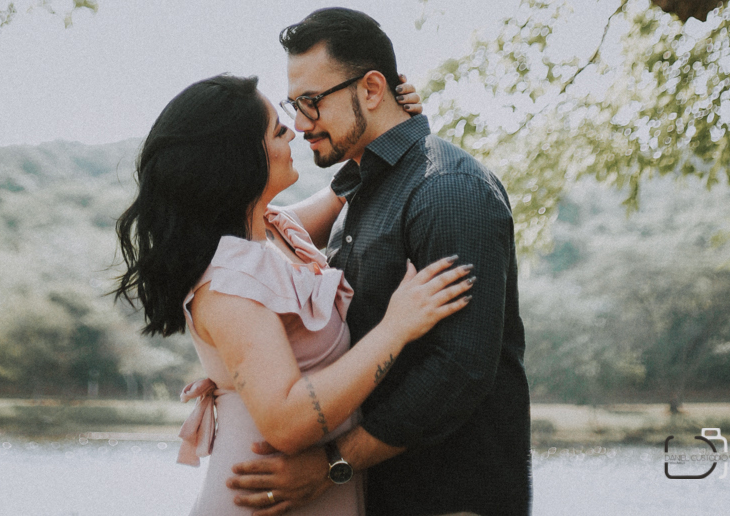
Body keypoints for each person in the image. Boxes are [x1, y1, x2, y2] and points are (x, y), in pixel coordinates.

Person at [114, 73, 473, 515]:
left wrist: (392, 123)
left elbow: (355, 182)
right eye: (280, 131)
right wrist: (396, 328)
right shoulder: (228, 283)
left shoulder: (277, 232)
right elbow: (286, 421)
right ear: (240, 158)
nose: (296, 134)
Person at [227, 8, 531, 516]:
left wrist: (331, 466)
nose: (300, 124)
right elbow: (260, 240)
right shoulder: (365, 189)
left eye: (311, 103)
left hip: (454, 498)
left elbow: (458, 371)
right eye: (293, 105)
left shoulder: (448, 190)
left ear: (371, 90)